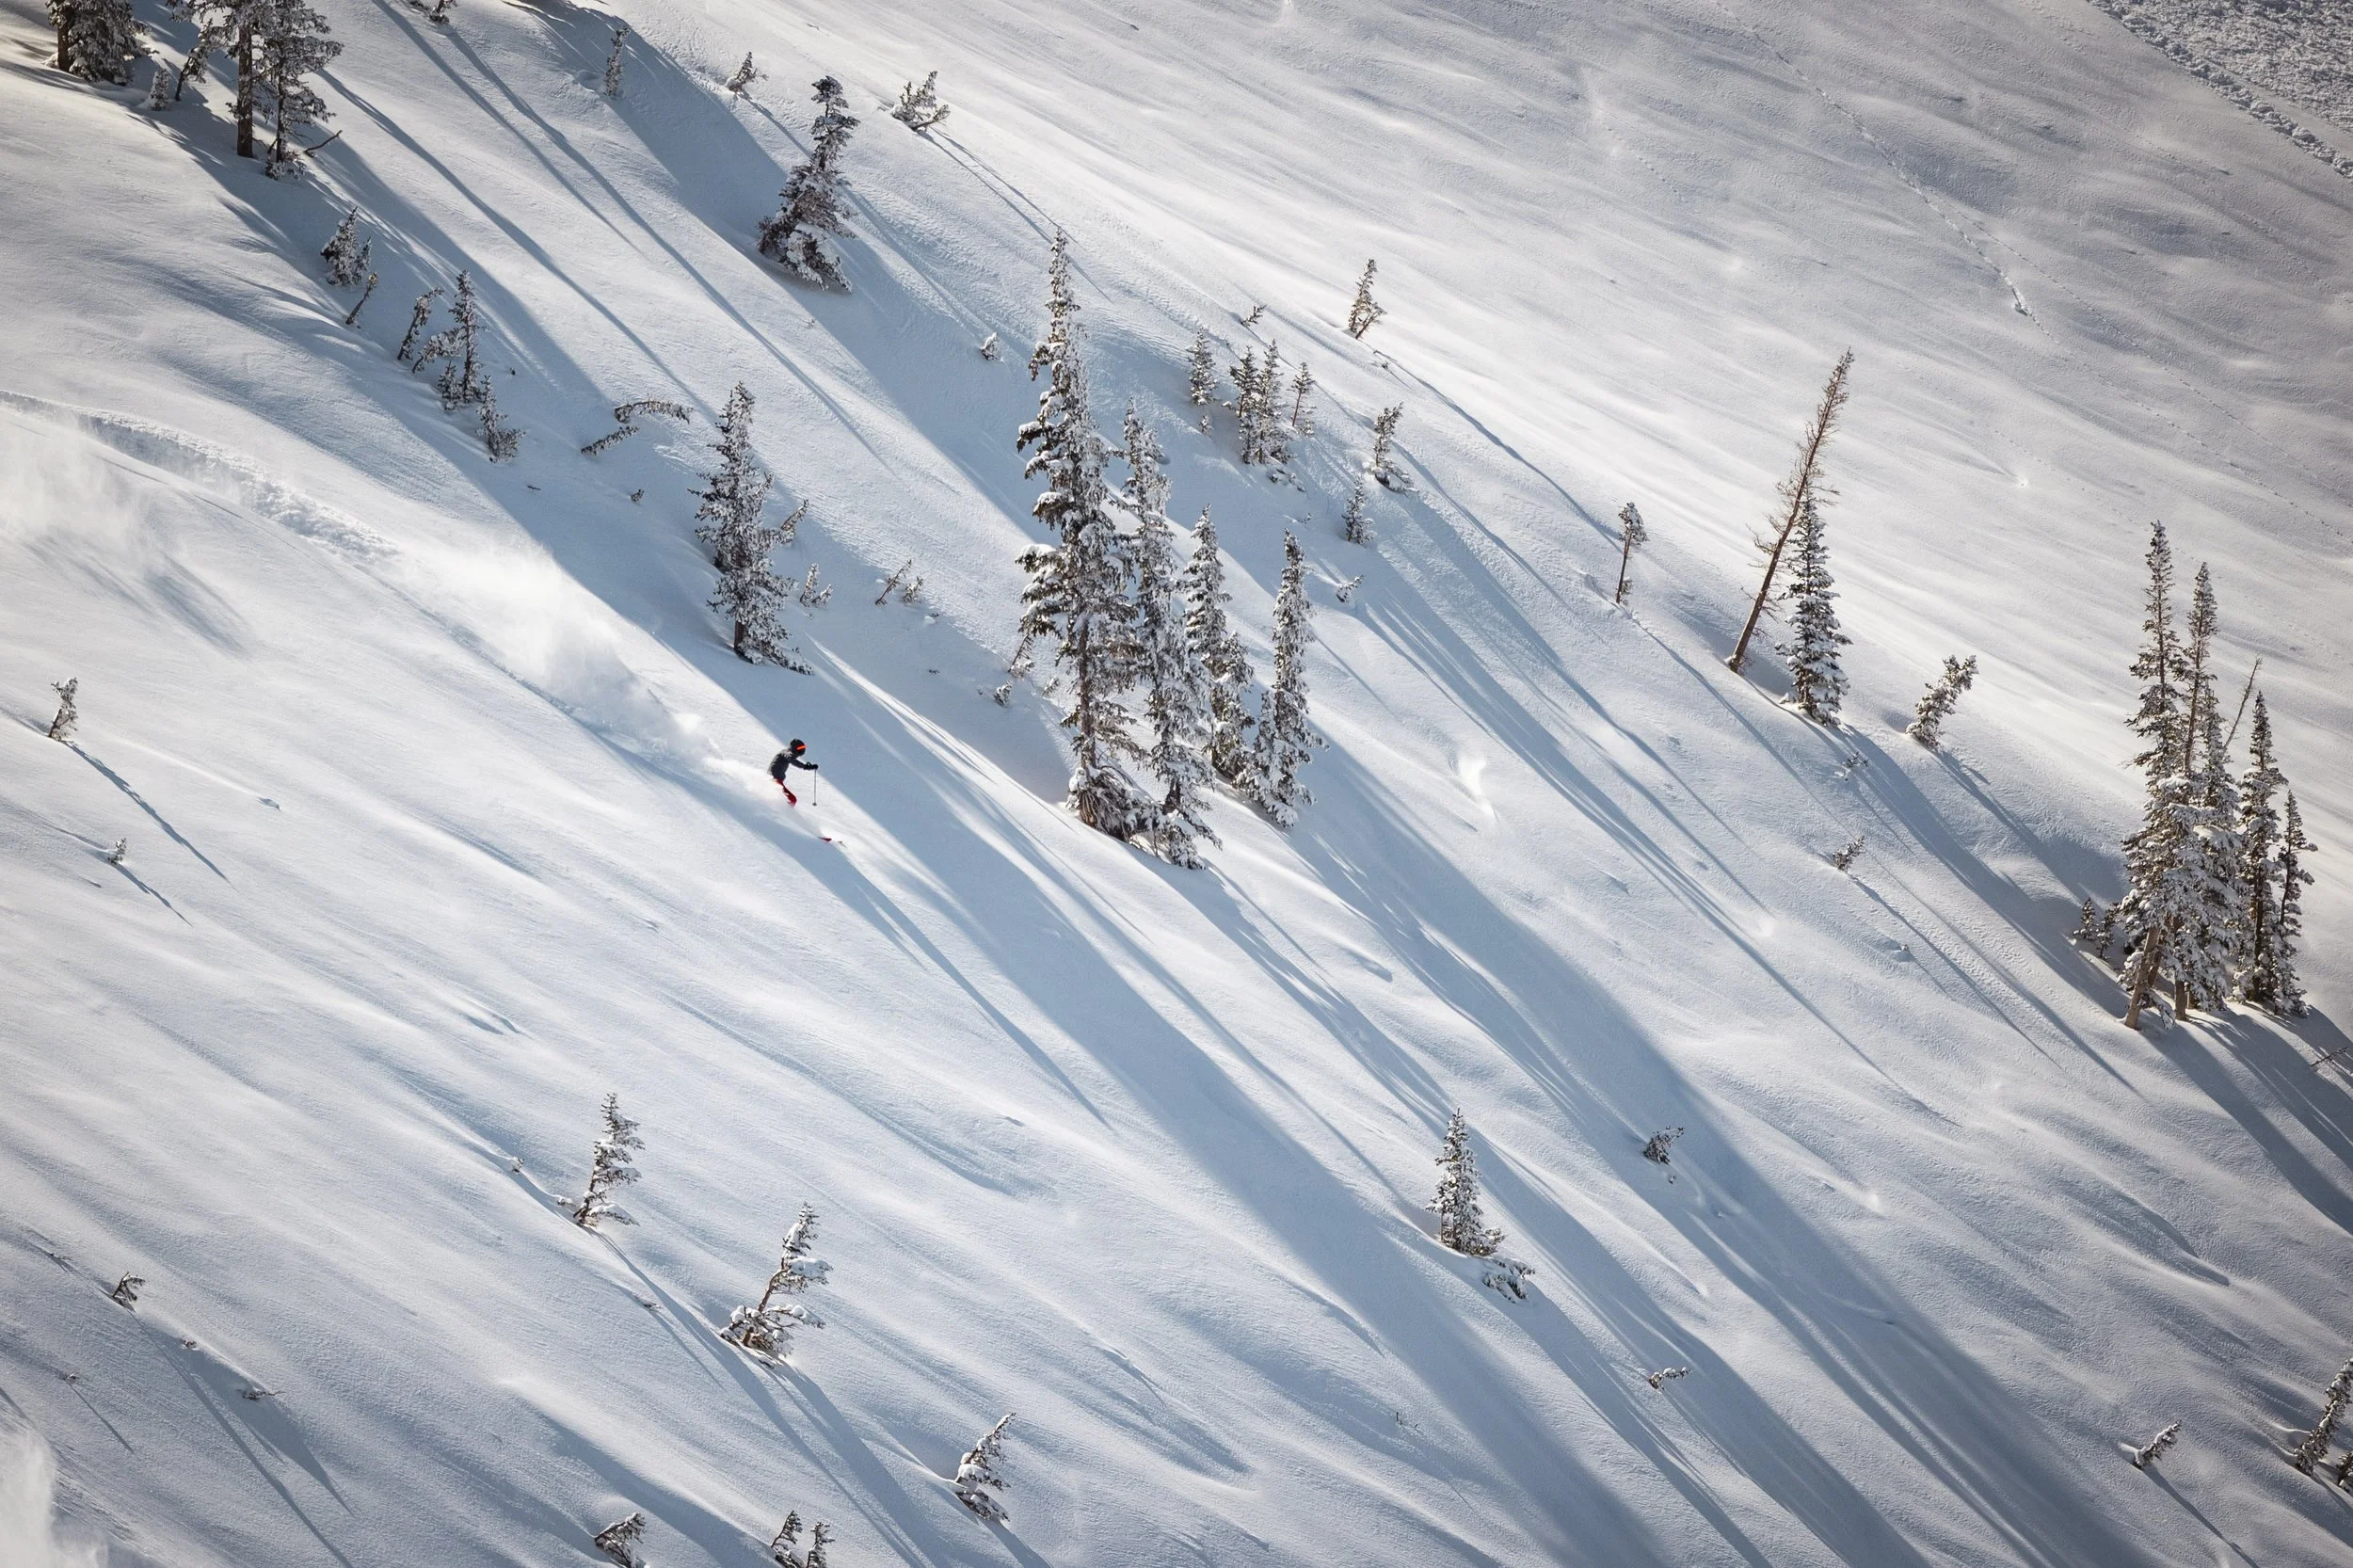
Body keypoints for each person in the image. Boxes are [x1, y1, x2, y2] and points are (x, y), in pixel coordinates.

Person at [768, 739, 819, 804]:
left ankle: (778, 809)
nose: (800, 754)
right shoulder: (786, 753)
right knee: (792, 800)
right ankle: (782, 811)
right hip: (774, 779)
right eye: (800, 751)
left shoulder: (785, 753)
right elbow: (791, 760)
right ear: (795, 748)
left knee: (789, 799)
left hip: (775, 779)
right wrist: (806, 767)